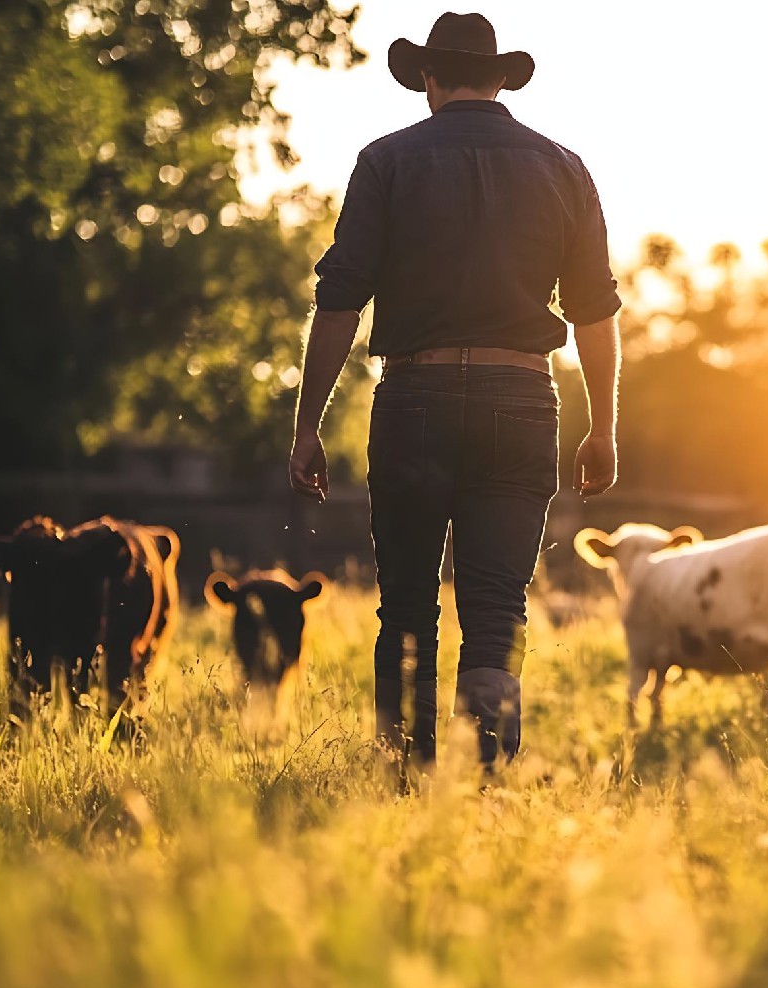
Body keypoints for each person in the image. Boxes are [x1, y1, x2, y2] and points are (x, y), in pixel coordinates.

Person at [288, 11, 622, 775]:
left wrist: (306, 424)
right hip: (523, 396)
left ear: (430, 81)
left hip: (415, 396)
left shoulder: (387, 160)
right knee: (496, 603)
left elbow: (339, 300)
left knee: (406, 602)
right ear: (500, 79)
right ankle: (487, 778)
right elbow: (595, 311)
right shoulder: (564, 166)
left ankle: (406, 773)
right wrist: (603, 426)